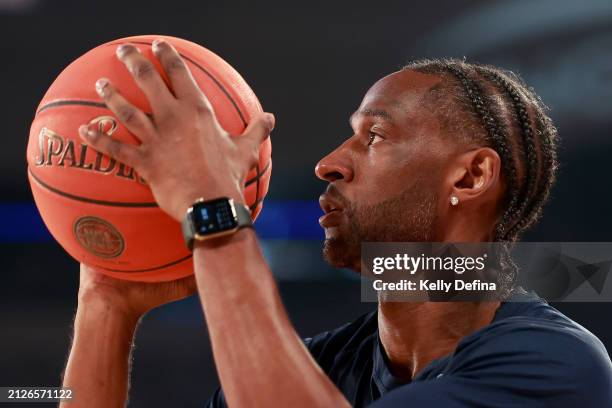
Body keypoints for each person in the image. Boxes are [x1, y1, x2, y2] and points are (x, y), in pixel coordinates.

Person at [60, 40, 612, 407]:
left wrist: (211, 206)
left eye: (374, 136)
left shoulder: (556, 368)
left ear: (469, 179)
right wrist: (105, 305)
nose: (330, 162)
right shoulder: (306, 370)